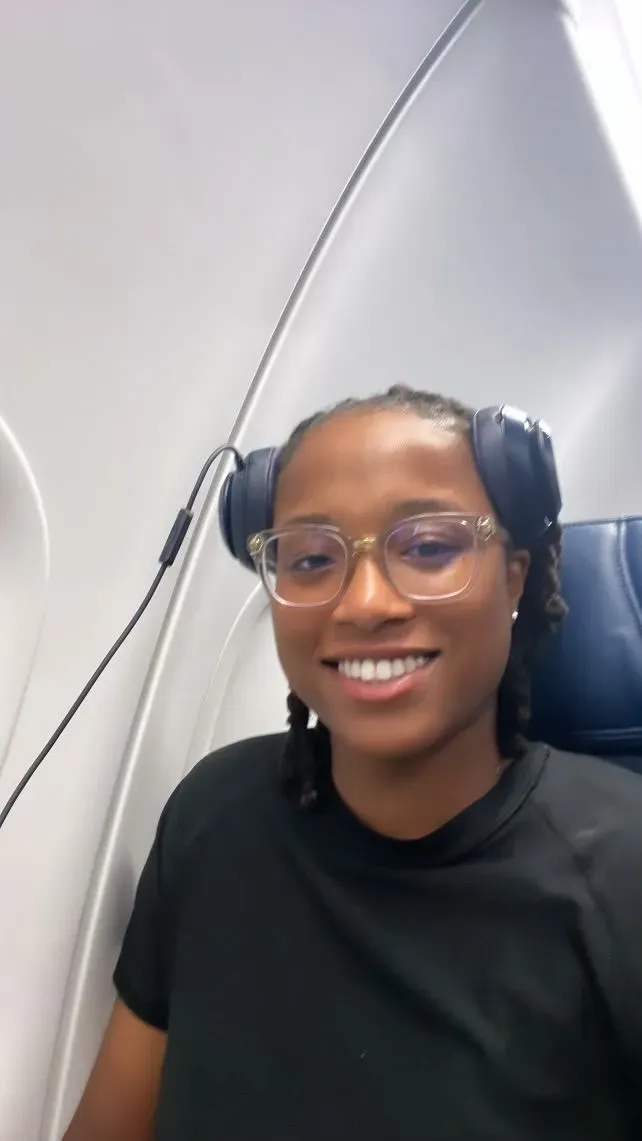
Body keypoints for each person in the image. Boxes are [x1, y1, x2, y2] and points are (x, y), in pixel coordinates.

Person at [63, 385, 642, 1141]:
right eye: (311, 558)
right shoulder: (213, 814)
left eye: (428, 547)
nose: (365, 603)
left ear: (515, 577)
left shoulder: (624, 866)